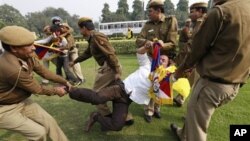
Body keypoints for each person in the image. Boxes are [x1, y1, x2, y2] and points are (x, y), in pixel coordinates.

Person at [170, 0, 250, 141]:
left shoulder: (221, 12)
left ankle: (187, 135)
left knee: (197, 127)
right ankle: (184, 134)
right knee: (194, 111)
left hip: (213, 83)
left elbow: (197, 48)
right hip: (235, 83)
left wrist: (180, 70)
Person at [68, 44, 172, 132]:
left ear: (167, 65)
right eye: (160, 58)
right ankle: (70, 90)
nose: (161, 60)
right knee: (97, 98)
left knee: (117, 126)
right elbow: (140, 53)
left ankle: (95, 116)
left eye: (164, 60)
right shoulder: (147, 65)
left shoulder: (163, 80)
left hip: (125, 100)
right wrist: (146, 47)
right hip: (119, 89)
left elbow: (175, 77)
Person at [0, 26, 71, 141]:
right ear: (14, 48)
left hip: (21, 101)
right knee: (38, 133)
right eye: (29, 45)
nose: (34, 48)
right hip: (4, 109)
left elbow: (44, 72)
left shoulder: (27, 55)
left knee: (50, 122)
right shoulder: (12, 69)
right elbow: (37, 89)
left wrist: (65, 81)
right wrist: (57, 90)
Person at [69, 17, 132, 122]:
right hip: (110, 67)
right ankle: (125, 117)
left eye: (80, 29)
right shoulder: (92, 38)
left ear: (84, 28)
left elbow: (110, 53)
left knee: (96, 94)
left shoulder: (96, 37)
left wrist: (116, 70)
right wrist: (75, 61)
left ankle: (107, 116)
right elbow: (88, 53)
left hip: (109, 68)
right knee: (116, 92)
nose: (80, 32)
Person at [136, 0, 178, 123]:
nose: (148, 13)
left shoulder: (170, 21)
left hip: (164, 59)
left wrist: (162, 45)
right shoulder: (147, 25)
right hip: (151, 60)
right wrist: (147, 43)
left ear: (158, 11)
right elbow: (138, 40)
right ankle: (149, 110)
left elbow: (173, 43)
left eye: (151, 11)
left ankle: (157, 108)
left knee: (162, 85)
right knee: (151, 84)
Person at [174, 2, 208, 107]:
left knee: (196, 87)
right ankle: (181, 98)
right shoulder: (199, 23)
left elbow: (195, 45)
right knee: (190, 81)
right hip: (196, 60)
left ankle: (191, 111)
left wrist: (185, 62)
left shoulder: (204, 23)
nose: (190, 15)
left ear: (200, 11)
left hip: (199, 61)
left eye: (192, 12)